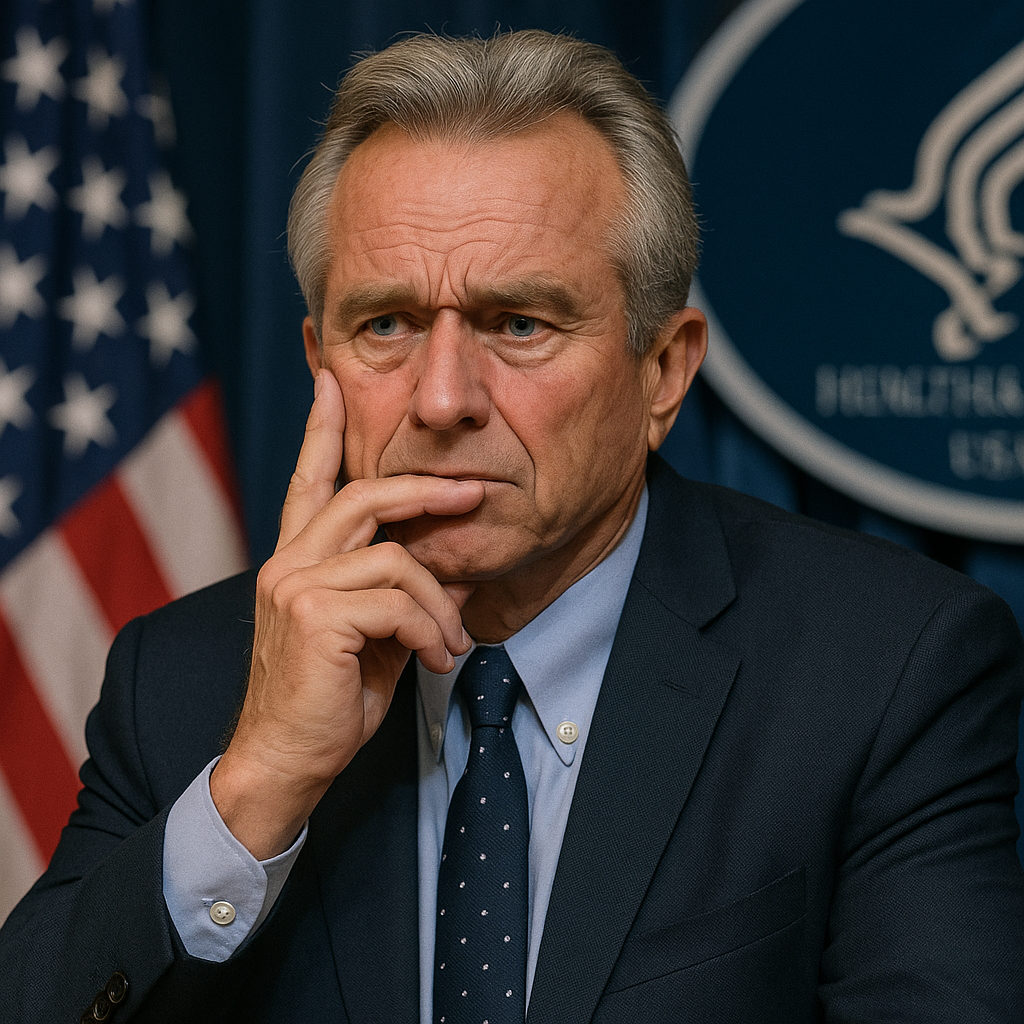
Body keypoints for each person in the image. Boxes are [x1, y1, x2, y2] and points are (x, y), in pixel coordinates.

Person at [2, 29, 1023, 1024]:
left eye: (519, 324)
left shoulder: (884, 670)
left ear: (663, 371)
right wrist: (258, 785)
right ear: (321, 365)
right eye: (387, 325)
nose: (442, 399)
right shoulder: (180, 681)